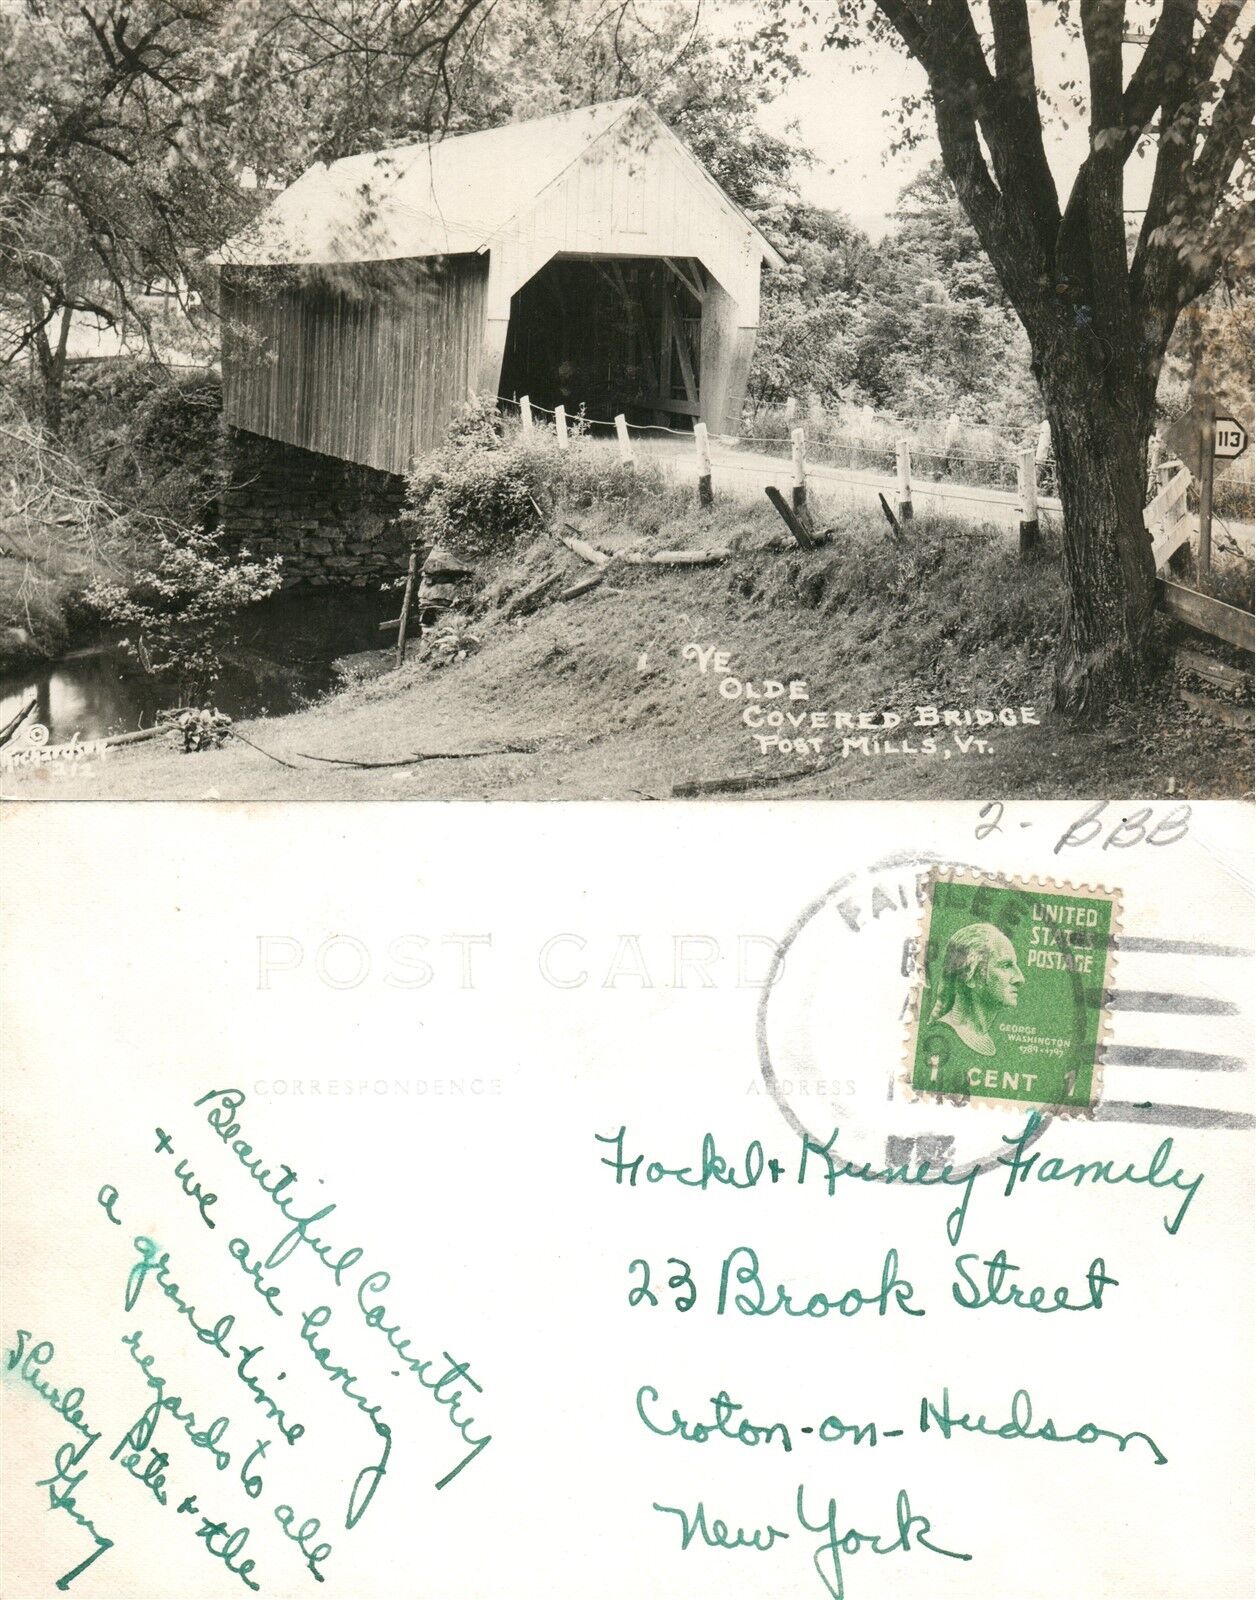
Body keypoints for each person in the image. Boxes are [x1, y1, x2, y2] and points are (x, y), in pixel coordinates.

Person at [928, 922, 1025, 1058]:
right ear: (970, 976)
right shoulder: (941, 1040)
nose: (1020, 978)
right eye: (1006, 965)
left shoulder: (987, 1041)